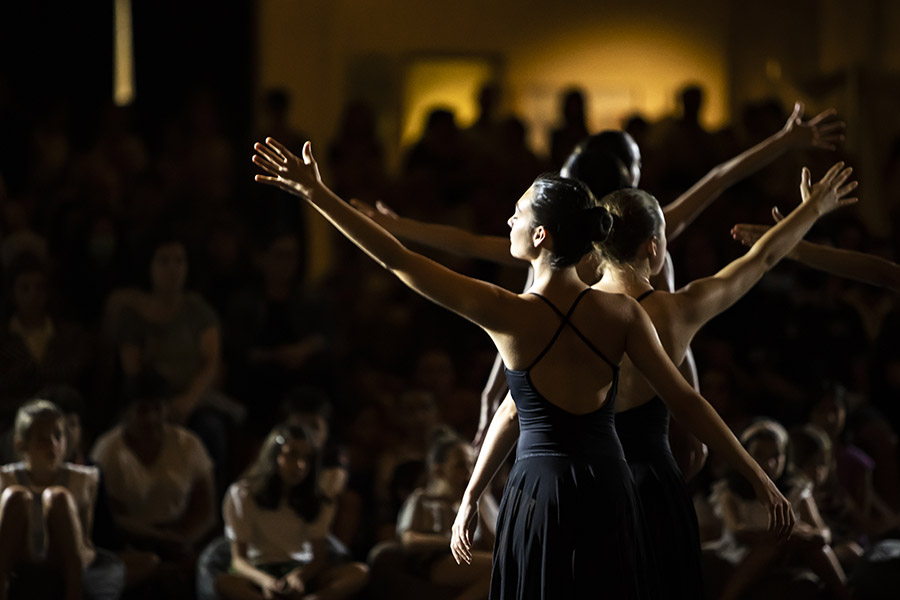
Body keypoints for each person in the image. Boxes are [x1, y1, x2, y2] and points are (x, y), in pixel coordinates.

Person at [251, 138, 793, 599]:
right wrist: (759, 476)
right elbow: (686, 402)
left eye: (517, 214)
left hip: (541, 489)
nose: (508, 220)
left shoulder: (508, 314)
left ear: (540, 236)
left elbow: (397, 260)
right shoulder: (622, 311)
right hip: (609, 487)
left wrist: (316, 195)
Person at [352, 102, 844, 462]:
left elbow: (464, 246)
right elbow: (724, 192)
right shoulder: (627, 238)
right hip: (636, 371)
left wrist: (398, 228)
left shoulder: (581, 251)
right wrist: (790, 158)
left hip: (621, 381)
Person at [590, 161, 855, 598]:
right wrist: (812, 209)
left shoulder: (569, 310)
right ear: (655, 248)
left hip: (585, 480)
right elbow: (762, 259)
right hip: (650, 484)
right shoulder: (673, 313)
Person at [215, 423, 368, 600]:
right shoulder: (243, 494)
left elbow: (318, 557)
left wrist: (298, 576)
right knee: (224, 583)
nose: (300, 465)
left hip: (300, 570)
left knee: (359, 572)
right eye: (292, 455)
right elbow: (238, 560)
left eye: (307, 458)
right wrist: (266, 582)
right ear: (274, 455)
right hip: (259, 570)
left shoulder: (317, 500)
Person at [710, 419, 852, 600]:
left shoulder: (797, 490)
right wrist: (778, 534)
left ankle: (846, 595)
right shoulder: (730, 491)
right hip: (747, 554)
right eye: (759, 455)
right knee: (770, 547)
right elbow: (737, 530)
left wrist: (803, 535)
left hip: (792, 551)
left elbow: (823, 532)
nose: (768, 464)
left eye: (776, 456)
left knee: (817, 550)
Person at [0, 400, 100, 600]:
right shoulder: (5, 478)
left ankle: (74, 590)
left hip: (63, 556)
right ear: (22, 444)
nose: (52, 445)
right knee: (16, 496)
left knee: (58, 497)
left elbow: (86, 536)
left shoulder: (84, 479)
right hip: (21, 554)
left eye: (57, 436)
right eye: (42, 439)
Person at [396, 431, 495, 600]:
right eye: (460, 465)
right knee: (501, 567)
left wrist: (480, 501)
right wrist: (452, 542)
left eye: (471, 465)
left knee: (505, 566)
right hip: (435, 560)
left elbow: (494, 544)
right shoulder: (422, 499)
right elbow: (408, 540)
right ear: (439, 470)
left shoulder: (473, 504)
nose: (469, 472)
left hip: (469, 557)